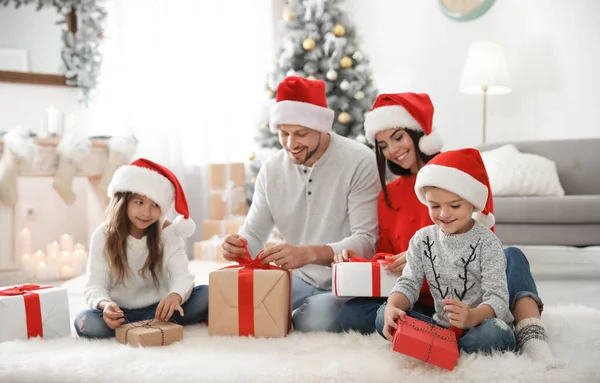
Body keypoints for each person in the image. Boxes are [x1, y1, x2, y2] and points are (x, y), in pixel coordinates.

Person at [337, 93, 559, 364]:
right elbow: (392, 264)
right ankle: (446, 337)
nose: (393, 150)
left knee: (511, 255)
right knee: (353, 313)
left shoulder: (458, 173)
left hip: (472, 294)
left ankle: (528, 332)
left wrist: (475, 313)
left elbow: (484, 245)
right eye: (383, 145)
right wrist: (378, 266)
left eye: (398, 137)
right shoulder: (389, 197)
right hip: (422, 294)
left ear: (417, 132)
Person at [222, 76, 380, 332]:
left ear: (322, 128)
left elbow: (366, 241)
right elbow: (253, 233)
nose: (291, 144)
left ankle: (303, 311)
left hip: (348, 281)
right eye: (284, 133)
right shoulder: (271, 169)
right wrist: (238, 245)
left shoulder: (359, 161)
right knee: (230, 300)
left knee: (313, 320)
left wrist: (306, 254)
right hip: (299, 278)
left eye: (301, 134)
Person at [381, 148, 516, 354]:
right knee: (383, 314)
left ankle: (438, 346)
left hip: (480, 323)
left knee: (497, 335)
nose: (444, 214)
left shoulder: (487, 242)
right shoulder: (422, 239)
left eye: (454, 205)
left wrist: (471, 316)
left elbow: (497, 298)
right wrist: (393, 306)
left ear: (472, 203)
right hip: (441, 325)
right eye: (434, 206)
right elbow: (408, 283)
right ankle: (444, 344)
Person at [74, 158, 208, 339]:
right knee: (85, 321)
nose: (147, 212)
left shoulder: (167, 232)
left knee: (206, 294)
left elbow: (182, 276)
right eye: (139, 202)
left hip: (162, 310)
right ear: (123, 200)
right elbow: (94, 286)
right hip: (121, 313)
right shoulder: (103, 235)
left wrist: (174, 297)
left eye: (155, 205)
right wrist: (105, 305)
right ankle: (137, 326)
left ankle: (145, 326)